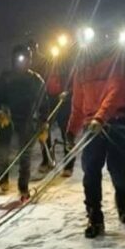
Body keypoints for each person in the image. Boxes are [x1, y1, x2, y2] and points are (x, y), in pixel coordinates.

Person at [67, 39, 125, 239]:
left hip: (116, 121)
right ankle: (95, 216)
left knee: (117, 170)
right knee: (91, 171)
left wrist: (100, 117)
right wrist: (71, 130)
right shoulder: (82, 70)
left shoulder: (116, 62)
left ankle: (122, 198)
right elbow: (78, 105)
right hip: (92, 126)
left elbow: (116, 92)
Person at [0, 44, 47, 202]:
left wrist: (43, 122)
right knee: (2, 150)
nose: (22, 63)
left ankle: (23, 187)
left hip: (27, 119)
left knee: (25, 155)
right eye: (19, 59)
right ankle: (4, 178)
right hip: (7, 119)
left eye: (25, 59)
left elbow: (44, 102)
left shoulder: (35, 80)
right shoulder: (6, 78)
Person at [43, 45, 76, 177]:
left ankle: (68, 164)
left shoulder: (68, 67)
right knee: (44, 130)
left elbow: (75, 84)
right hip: (50, 100)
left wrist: (67, 93)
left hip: (64, 102)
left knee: (66, 132)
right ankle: (47, 160)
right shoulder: (47, 67)